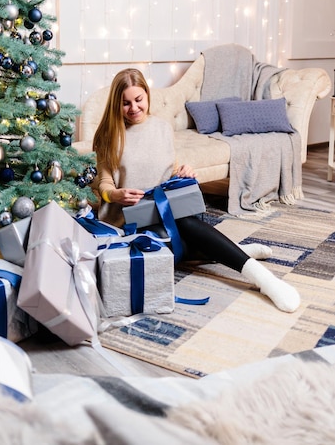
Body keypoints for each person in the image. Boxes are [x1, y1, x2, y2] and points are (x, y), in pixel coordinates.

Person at [93, 68, 300, 313]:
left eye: (139, 100)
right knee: (171, 238)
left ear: (147, 96)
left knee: (186, 225)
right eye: (125, 103)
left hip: (163, 208)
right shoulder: (108, 135)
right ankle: (232, 251)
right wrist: (115, 195)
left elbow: (168, 167)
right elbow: (103, 184)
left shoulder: (161, 127)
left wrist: (183, 170)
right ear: (116, 104)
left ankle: (264, 278)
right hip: (128, 219)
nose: (134, 108)